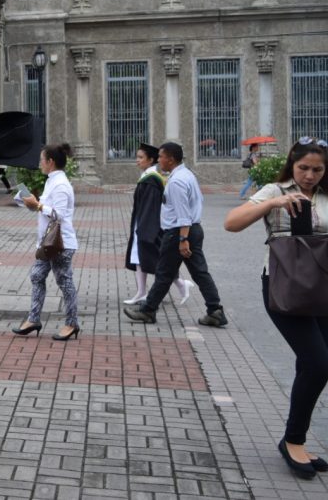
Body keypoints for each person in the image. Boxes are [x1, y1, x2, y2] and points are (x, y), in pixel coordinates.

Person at [224, 137, 328, 480]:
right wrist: (275, 203)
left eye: (317, 169)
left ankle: (294, 437)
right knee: (317, 362)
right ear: (291, 165)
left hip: (323, 291)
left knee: (313, 363)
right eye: (303, 168)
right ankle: (294, 440)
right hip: (285, 290)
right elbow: (232, 222)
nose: (310, 175)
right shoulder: (274, 190)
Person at [124, 142, 228, 327]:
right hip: (192, 230)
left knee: (164, 273)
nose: (159, 160)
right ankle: (215, 310)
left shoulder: (178, 181)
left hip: (179, 233)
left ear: (170, 159)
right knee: (199, 272)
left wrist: (182, 239)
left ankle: (148, 311)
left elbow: (183, 214)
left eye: (161, 156)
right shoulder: (186, 174)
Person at [12, 143, 81, 341]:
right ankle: (33, 319)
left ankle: (72, 323)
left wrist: (39, 205)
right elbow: (44, 208)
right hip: (47, 244)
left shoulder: (60, 185)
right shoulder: (52, 181)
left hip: (60, 245)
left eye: (41, 160)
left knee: (65, 282)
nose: (39, 163)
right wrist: (29, 202)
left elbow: (58, 214)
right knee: (36, 276)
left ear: (50, 162)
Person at [123, 143, 194, 305]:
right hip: (141, 225)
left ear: (151, 160)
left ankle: (182, 284)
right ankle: (141, 292)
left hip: (149, 227)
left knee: (157, 261)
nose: (137, 161)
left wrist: (146, 229)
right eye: (137, 157)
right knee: (140, 258)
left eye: (141, 157)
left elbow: (151, 208)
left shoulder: (152, 180)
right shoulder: (147, 178)